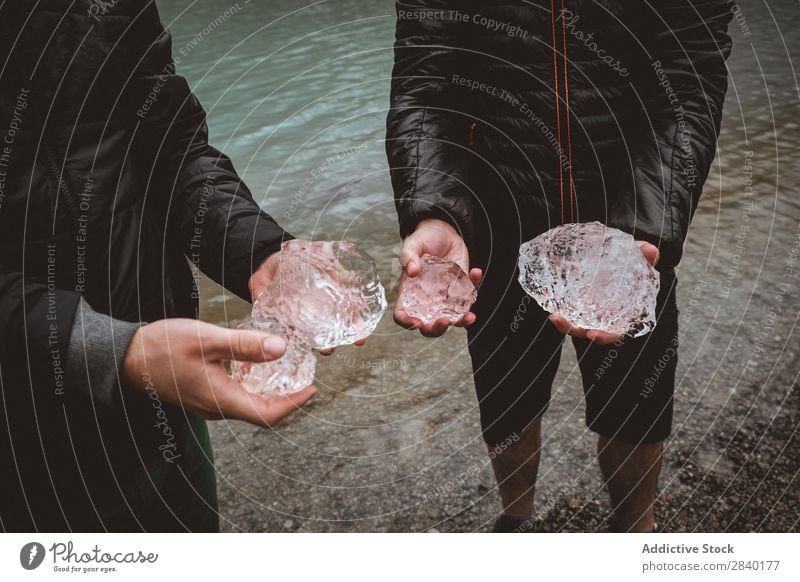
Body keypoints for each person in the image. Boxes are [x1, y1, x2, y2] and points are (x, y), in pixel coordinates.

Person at [388, 0, 732, 532]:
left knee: (636, 392)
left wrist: (645, 225)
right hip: (496, 211)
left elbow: (687, 82)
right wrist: (437, 210)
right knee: (505, 391)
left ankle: (635, 532)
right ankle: (517, 522)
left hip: (630, 215)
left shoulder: (638, 230)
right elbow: (426, 82)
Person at [0, 2, 316, 531]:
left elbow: (174, 150)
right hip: (24, 436)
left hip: (168, 389)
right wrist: (111, 349)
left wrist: (258, 251)